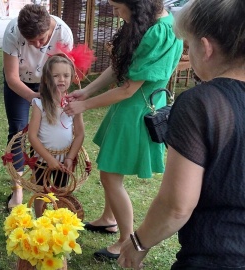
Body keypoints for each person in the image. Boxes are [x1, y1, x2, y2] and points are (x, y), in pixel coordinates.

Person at [118, 0, 245, 269]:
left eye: (189, 45)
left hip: (217, 256)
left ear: (206, 47)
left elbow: (176, 205)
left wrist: (138, 243)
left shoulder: (202, 103)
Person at [63, 0, 183, 260]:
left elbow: (129, 88)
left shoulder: (158, 32)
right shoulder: (156, 23)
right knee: (112, 169)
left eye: (117, 7)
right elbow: (121, 71)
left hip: (136, 111)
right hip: (131, 105)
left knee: (110, 176)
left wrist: (84, 105)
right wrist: (88, 90)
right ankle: (109, 218)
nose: (116, 13)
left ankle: (125, 241)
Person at [2, 4, 73, 211]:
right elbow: (12, 77)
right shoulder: (12, 31)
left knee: (45, 130)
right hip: (19, 81)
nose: (36, 45)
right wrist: (33, 97)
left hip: (48, 81)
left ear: (49, 27)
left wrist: (55, 95)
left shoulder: (63, 32)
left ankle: (41, 179)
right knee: (17, 130)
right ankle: (18, 189)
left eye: (41, 39)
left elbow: (64, 70)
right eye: (31, 41)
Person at [28, 54, 84, 216]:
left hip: (63, 159)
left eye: (66, 75)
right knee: (41, 191)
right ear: (46, 79)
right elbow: (32, 136)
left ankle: (59, 221)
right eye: (56, 75)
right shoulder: (39, 104)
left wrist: (69, 158)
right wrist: (49, 159)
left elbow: (80, 134)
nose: (61, 79)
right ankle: (40, 220)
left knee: (61, 192)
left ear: (72, 77)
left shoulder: (74, 105)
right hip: (41, 158)